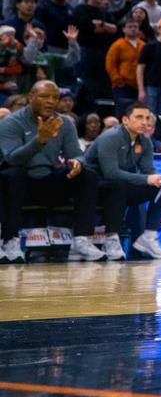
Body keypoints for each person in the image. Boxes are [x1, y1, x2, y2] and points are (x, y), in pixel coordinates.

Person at [0, 79, 103, 261]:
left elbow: (76, 154)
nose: (50, 101)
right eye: (44, 96)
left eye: (55, 98)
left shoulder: (64, 122)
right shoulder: (11, 122)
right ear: (31, 97)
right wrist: (39, 140)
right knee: (15, 174)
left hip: (47, 180)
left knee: (88, 175)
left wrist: (77, 163)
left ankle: (81, 240)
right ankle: (10, 240)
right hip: (19, 184)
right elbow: (12, 159)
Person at [85, 102, 161, 259]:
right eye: (139, 117)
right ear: (125, 120)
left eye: (147, 118)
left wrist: (160, 178)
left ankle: (149, 236)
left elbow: (148, 169)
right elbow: (111, 173)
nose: (144, 122)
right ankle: (111, 238)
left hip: (120, 187)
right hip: (93, 187)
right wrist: (147, 179)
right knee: (118, 185)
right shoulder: (110, 137)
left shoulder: (145, 141)